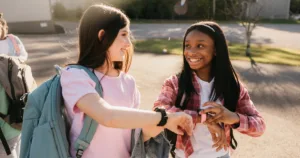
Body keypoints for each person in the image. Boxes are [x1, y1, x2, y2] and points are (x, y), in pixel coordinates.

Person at [60, 4, 193, 158]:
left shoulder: (128, 82)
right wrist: (163, 118)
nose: (128, 43)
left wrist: (165, 123)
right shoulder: (75, 76)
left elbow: (136, 137)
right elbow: (108, 116)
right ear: (102, 36)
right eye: (123, 34)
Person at [153, 21, 266, 158]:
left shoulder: (232, 87)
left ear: (216, 50)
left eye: (200, 45)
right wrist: (204, 118)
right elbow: (159, 111)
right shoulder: (175, 83)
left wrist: (233, 118)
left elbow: (259, 126)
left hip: (221, 155)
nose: (191, 52)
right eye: (187, 45)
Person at [0, 13, 28, 158]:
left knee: (16, 138)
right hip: (3, 94)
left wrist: (8, 61)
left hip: (15, 88)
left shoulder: (12, 40)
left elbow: (23, 56)